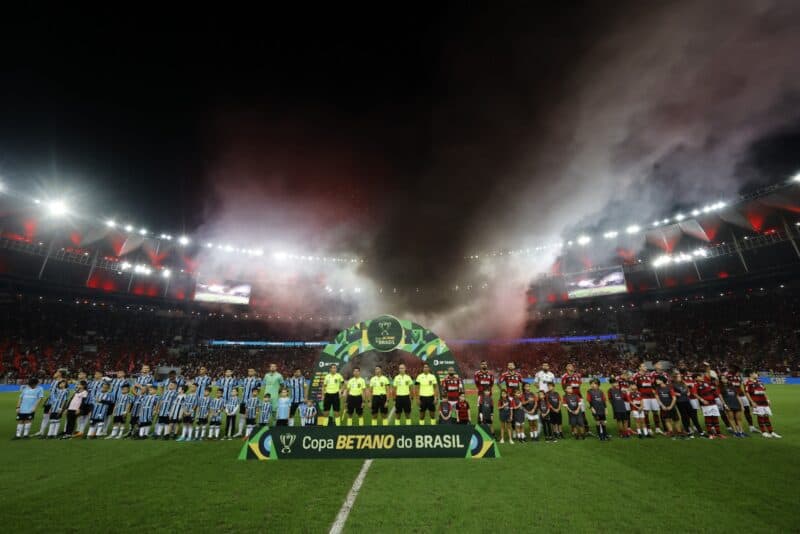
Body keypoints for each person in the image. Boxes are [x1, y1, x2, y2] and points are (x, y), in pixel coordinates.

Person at [745, 371, 781, 438]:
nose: (756, 374)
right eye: (755, 373)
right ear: (751, 374)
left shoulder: (759, 381)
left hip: (764, 401)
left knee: (766, 416)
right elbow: (747, 393)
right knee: (760, 416)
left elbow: (763, 391)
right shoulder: (748, 382)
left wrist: (767, 399)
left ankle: (771, 432)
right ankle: (764, 432)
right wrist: (752, 402)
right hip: (756, 401)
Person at [726, 365, 757, 433]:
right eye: (739, 372)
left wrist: (745, 395)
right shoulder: (729, 376)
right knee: (735, 411)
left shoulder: (739, 377)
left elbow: (740, 386)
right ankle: (737, 427)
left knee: (747, 410)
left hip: (742, 395)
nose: (740, 373)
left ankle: (751, 427)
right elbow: (727, 386)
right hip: (734, 396)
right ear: (737, 371)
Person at [33, 370, 63, 437]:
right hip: (49, 402)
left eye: (56, 372)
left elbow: (60, 394)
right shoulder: (54, 381)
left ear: (60, 374)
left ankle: (52, 433)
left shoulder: (62, 382)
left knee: (54, 418)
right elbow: (52, 392)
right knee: (45, 416)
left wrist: (55, 403)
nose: (54, 374)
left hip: (55, 403)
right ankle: (41, 432)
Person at [673, 372, 702, 437]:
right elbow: (671, 391)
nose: (680, 377)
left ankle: (699, 431)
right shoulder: (673, 384)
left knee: (692, 415)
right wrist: (675, 393)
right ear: (675, 377)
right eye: (678, 376)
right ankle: (688, 430)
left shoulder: (683, 383)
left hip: (687, 400)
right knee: (684, 416)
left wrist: (688, 392)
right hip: (680, 402)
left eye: (680, 376)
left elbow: (687, 389)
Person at [635, 364, 661, 435]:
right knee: (646, 413)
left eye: (645, 366)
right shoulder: (636, 376)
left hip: (652, 396)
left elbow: (653, 384)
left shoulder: (649, 375)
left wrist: (655, 390)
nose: (645, 367)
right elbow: (634, 386)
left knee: (655, 412)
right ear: (639, 367)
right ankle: (648, 428)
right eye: (643, 366)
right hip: (643, 396)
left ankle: (657, 428)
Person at [696, 375, 724, 439]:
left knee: (715, 418)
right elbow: (695, 394)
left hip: (713, 403)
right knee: (708, 418)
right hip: (706, 404)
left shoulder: (707, 383)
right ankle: (710, 434)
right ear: (696, 378)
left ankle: (718, 433)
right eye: (700, 376)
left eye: (701, 376)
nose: (701, 377)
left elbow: (714, 391)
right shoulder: (696, 385)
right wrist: (702, 400)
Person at [237, 368, 262, 436]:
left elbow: (258, 390)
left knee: (252, 417)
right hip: (244, 401)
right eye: (249, 371)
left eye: (251, 371)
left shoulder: (257, 380)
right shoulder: (244, 379)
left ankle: (251, 433)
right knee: (242, 416)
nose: (250, 372)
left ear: (254, 372)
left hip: (252, 402)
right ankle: (240, 432)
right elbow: (242, 389)